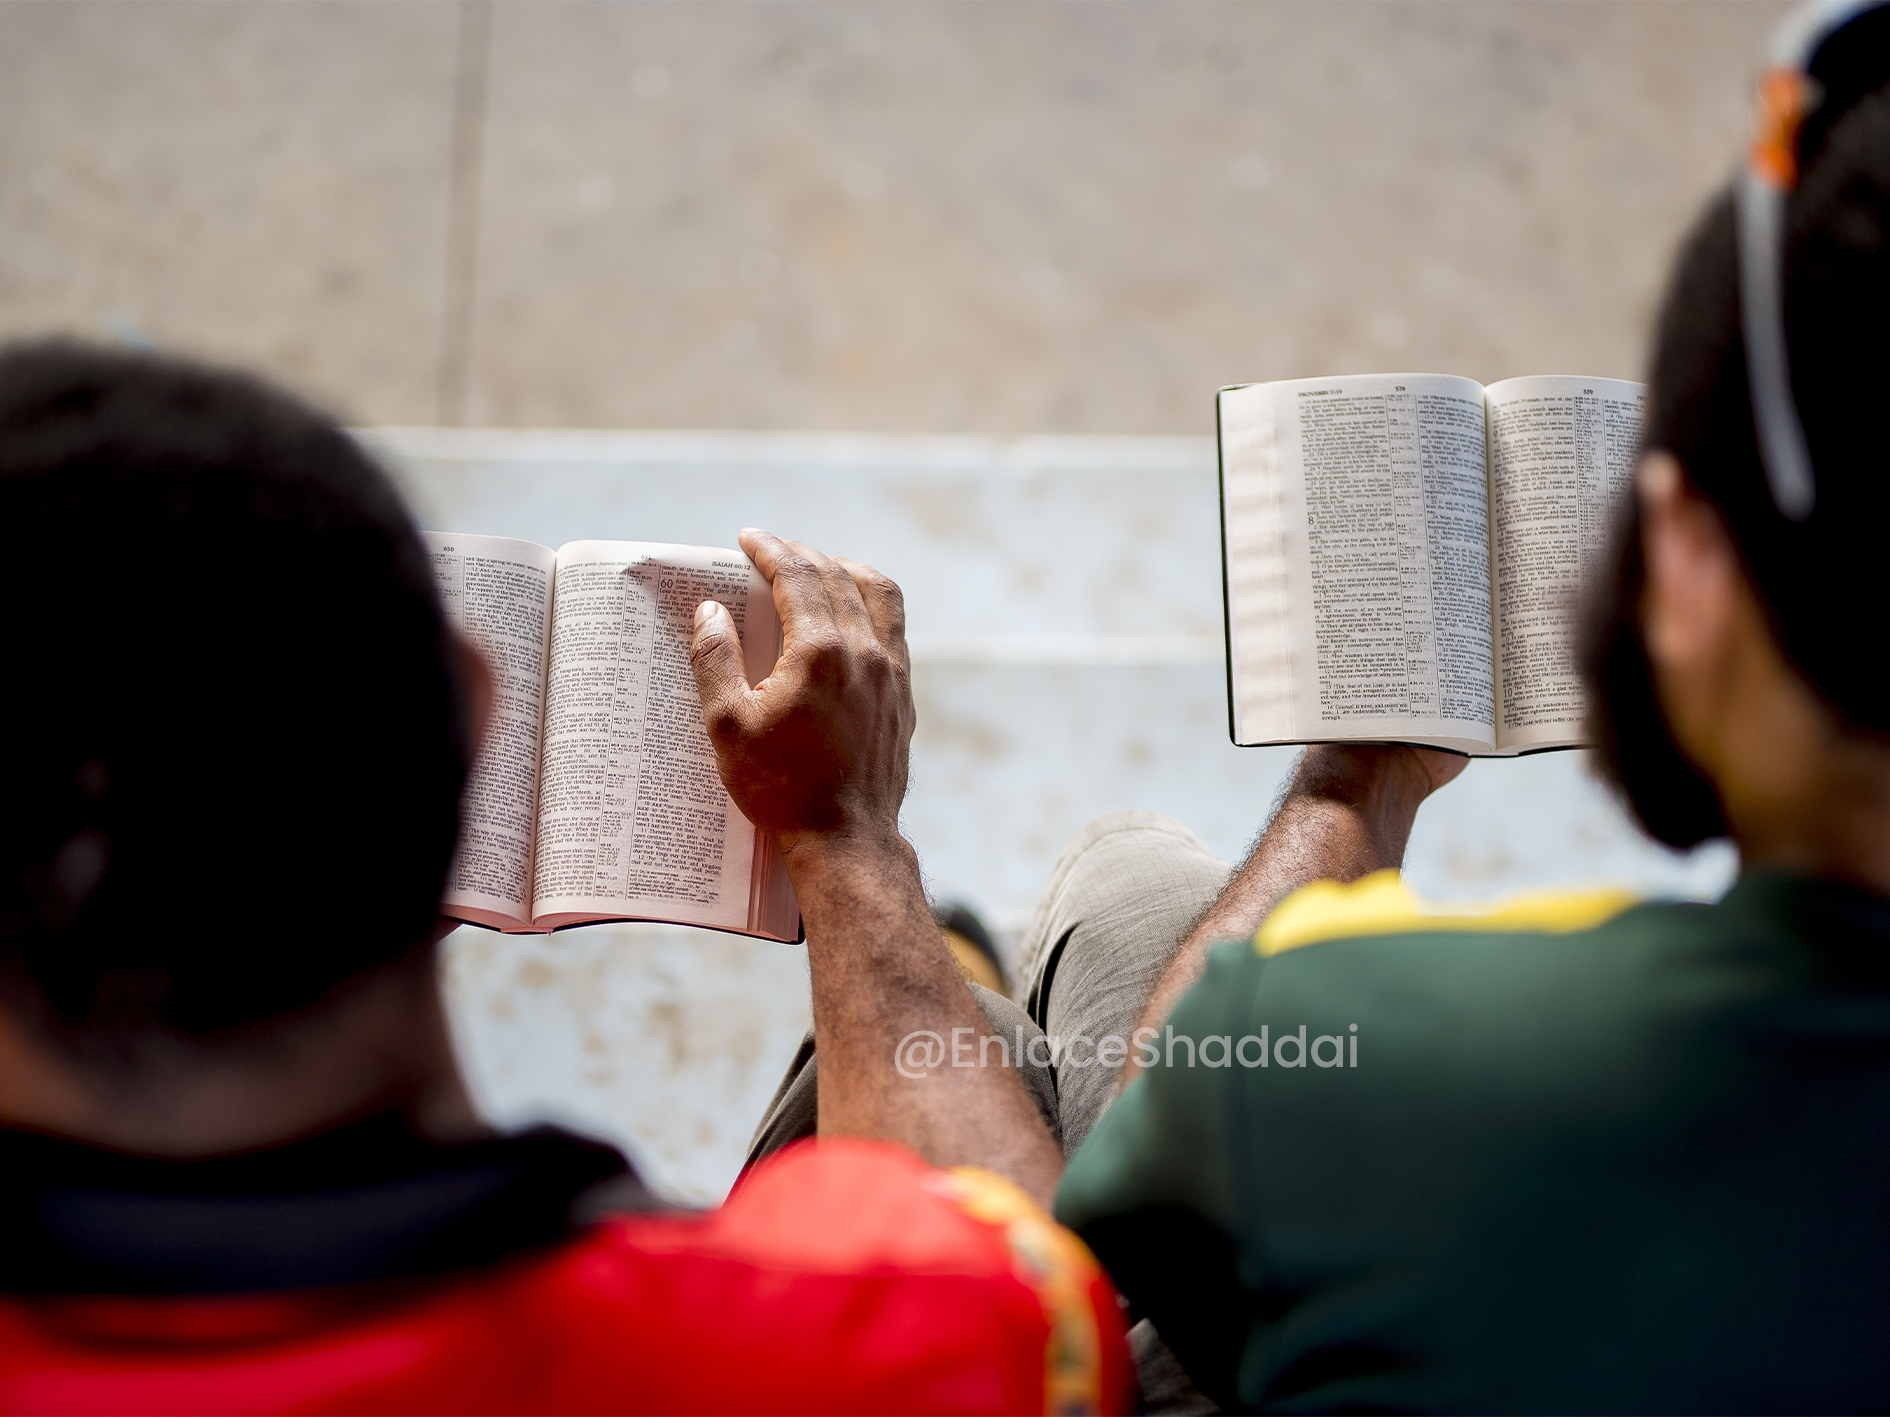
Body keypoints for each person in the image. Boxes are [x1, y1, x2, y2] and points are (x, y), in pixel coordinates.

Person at [0, 341, 1128, 1414]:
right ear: (469, 724)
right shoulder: (822, 1348)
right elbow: (1018, 1278)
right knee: (1010, 991)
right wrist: (846, 841)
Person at [1049, 16, 1890, 1413]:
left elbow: (1095, 1254)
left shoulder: (1367, 1038)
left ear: (1681, 560)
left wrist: (1347, 793)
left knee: (1085, 927)